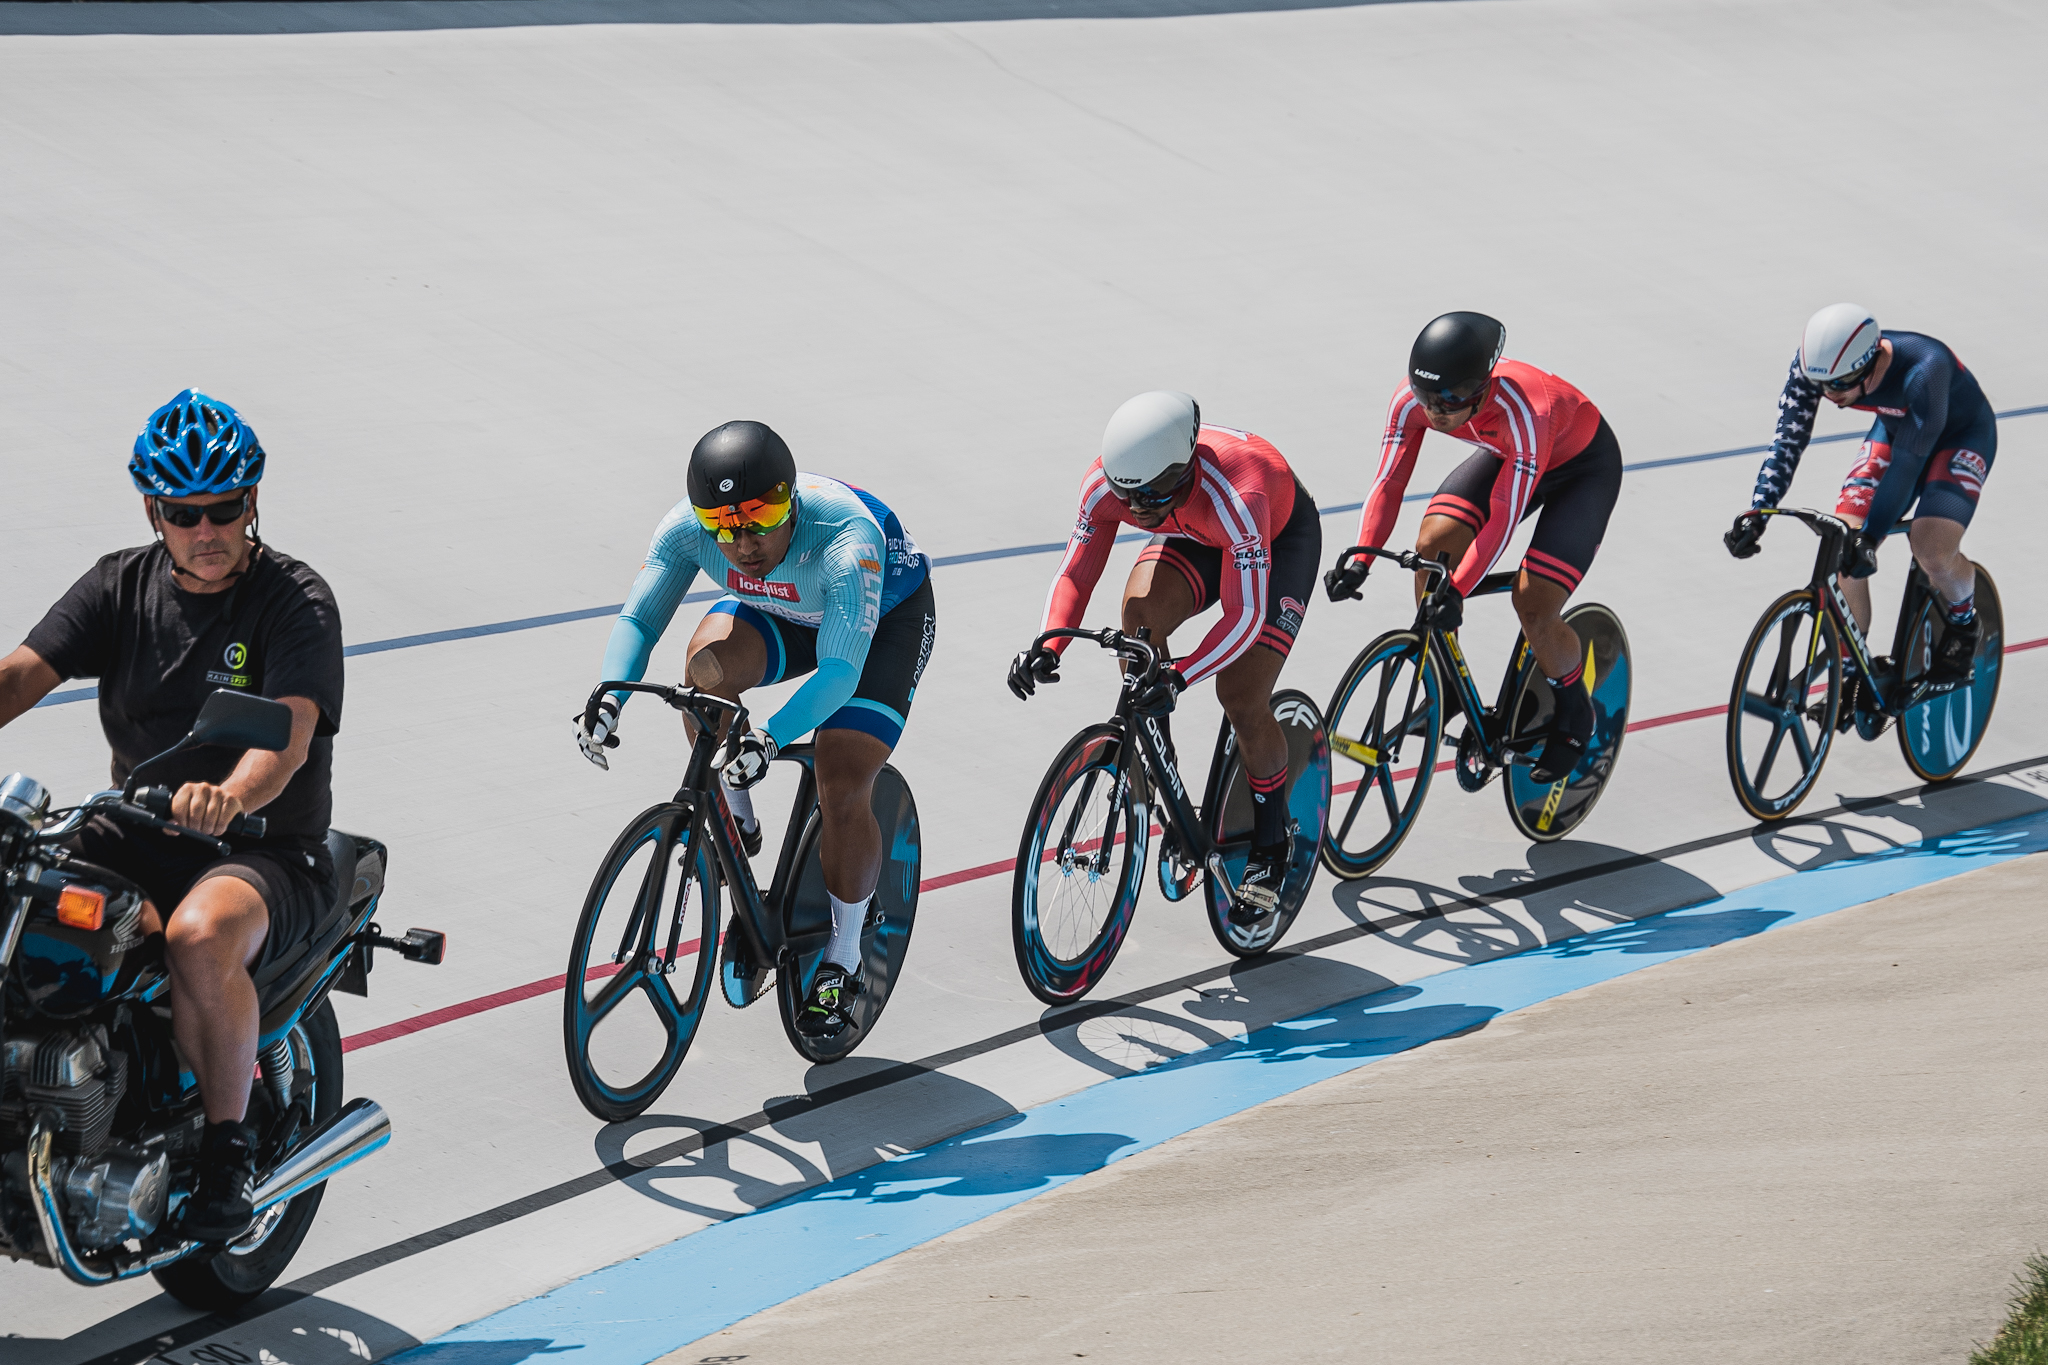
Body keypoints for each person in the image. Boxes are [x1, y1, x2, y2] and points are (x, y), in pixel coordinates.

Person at [0, 390, 344, 1242]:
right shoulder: (119, 584)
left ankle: (227, 1150)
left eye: (223, 507)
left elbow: (289, 734)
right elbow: (20, 675)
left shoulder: (293, 598)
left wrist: (230, 792)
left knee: (198, 935)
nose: (206, 529)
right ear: (155, 509)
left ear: (251, 501)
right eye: (185, 512)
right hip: (134, 825)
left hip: (262, 845)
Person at [576, 421, 934, 1039]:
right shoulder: (687, 529)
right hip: (784, 607)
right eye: (722, 526)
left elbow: (841, 672)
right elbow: (641, 617)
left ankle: (843, 957)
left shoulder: (849, 539)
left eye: (759, 517)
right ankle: (738, 818)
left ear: (789, 499)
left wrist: (769, 737)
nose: (741, 541)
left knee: (841, 768)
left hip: (875, 627)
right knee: (703, 674)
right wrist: (609, 695)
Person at [1008, 391, 1321, 926]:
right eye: (1125, 494)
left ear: (1186, 466)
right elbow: (1077, 572)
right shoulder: (1112, 487)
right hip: (1194, 530)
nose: (1136, 509)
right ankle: (1161, 766)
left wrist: (1179, 675)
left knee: (1240, 694)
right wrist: (1049, 642)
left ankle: (1272, 843)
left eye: (1151, 494)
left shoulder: (1238, 496)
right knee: (1139, 620)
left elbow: (1243, 617)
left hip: (1275, 536)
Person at [1324, 312, 1623, 784]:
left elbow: (1503, 515)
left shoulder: (1528, 410)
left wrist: (1458, 590)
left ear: (1482, 389)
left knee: (1533, 599)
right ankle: (1445, 677)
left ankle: (1574, 711)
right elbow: (1388, 481)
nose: (1437, 412)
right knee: (1431, 548)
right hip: (1508, 455)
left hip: (1581, 470)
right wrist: (1362, 556)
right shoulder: (1411, 401)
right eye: (1427, 398)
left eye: (1451, 400)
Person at [1724, 304, 1994, 690]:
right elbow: (1787, 440)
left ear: (1871, 364)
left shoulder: (1925, 367)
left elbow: (1906, 466)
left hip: (1959, 437)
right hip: (1899, 429)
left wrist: (1871, 538)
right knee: (1841, 536)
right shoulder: (1816, 368)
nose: (1830, 394)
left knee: (1932, 547)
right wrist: (1758, 511)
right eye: (1822, 385)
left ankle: (1965, 623)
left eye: (1841, 383)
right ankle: (1853, 665)